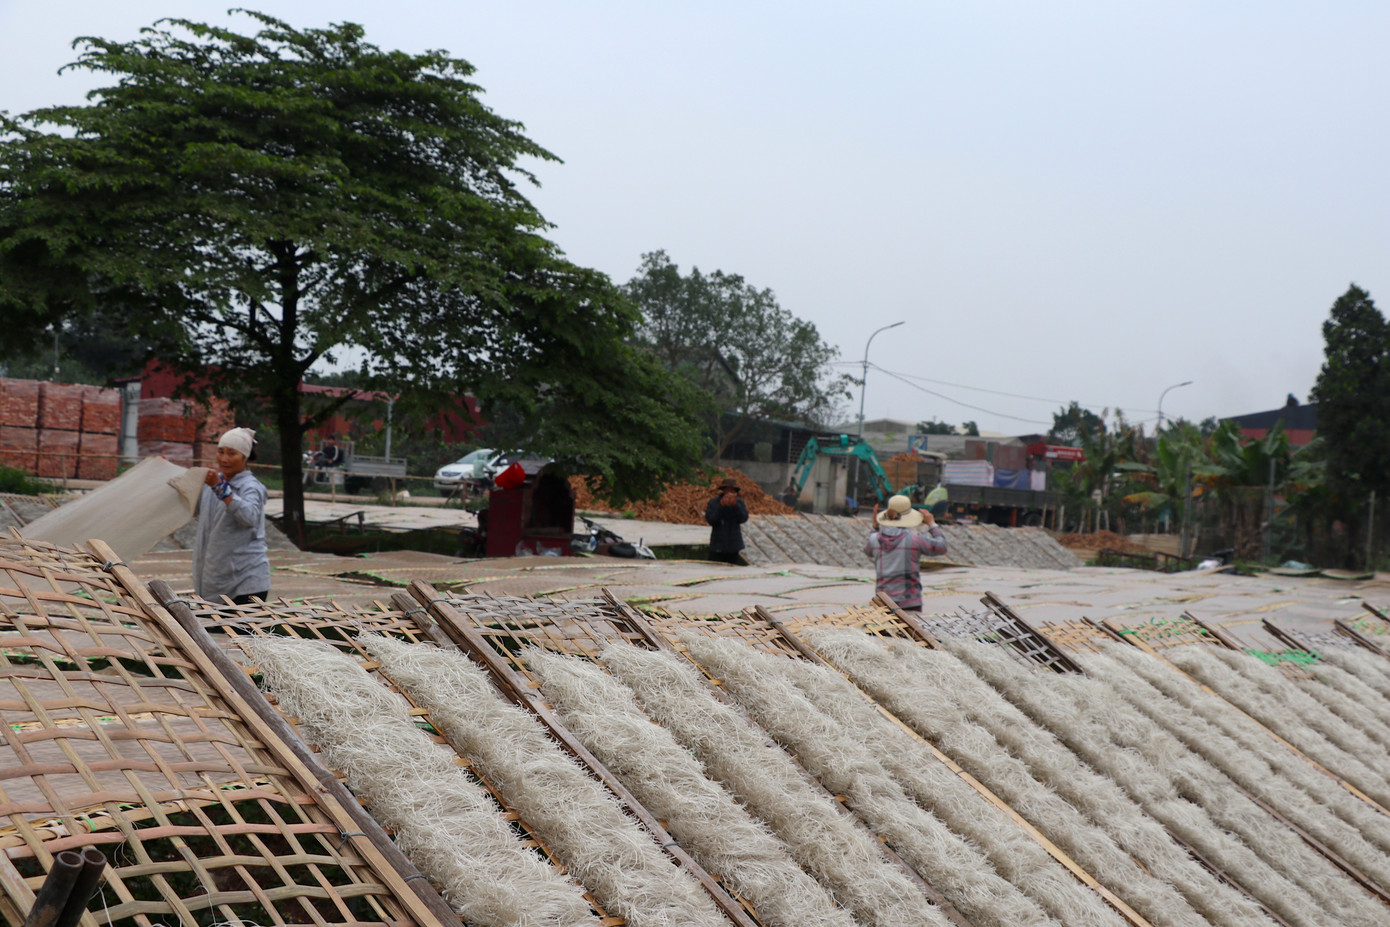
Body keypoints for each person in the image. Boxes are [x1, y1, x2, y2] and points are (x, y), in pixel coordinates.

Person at [193, 427, 270, 604]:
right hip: (217, 577)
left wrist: (221, 489)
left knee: (238, 632)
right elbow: (192, 507)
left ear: (245, 457)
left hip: (246, 583)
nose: (224, 459)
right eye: (221, 452)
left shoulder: (251, 487)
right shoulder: (210, 483)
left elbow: (249, 517)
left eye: (232, 453)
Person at [864, 494, 947, 611]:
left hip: (882, 602)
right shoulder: (915, 538)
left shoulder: (874, 539)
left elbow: (867, 551)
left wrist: (874, 527)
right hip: (910, 602)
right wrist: (932, 524)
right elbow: (942, 547)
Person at [704, 476, 749, 564]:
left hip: (733, 545)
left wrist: (735, 506)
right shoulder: (714, 502)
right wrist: (721, 506)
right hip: (717, 544)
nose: (729, 493)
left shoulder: (739, 503)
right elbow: (711, 520)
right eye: (727, 490)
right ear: (723, 490)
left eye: (732, 490)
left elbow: (743, 518)